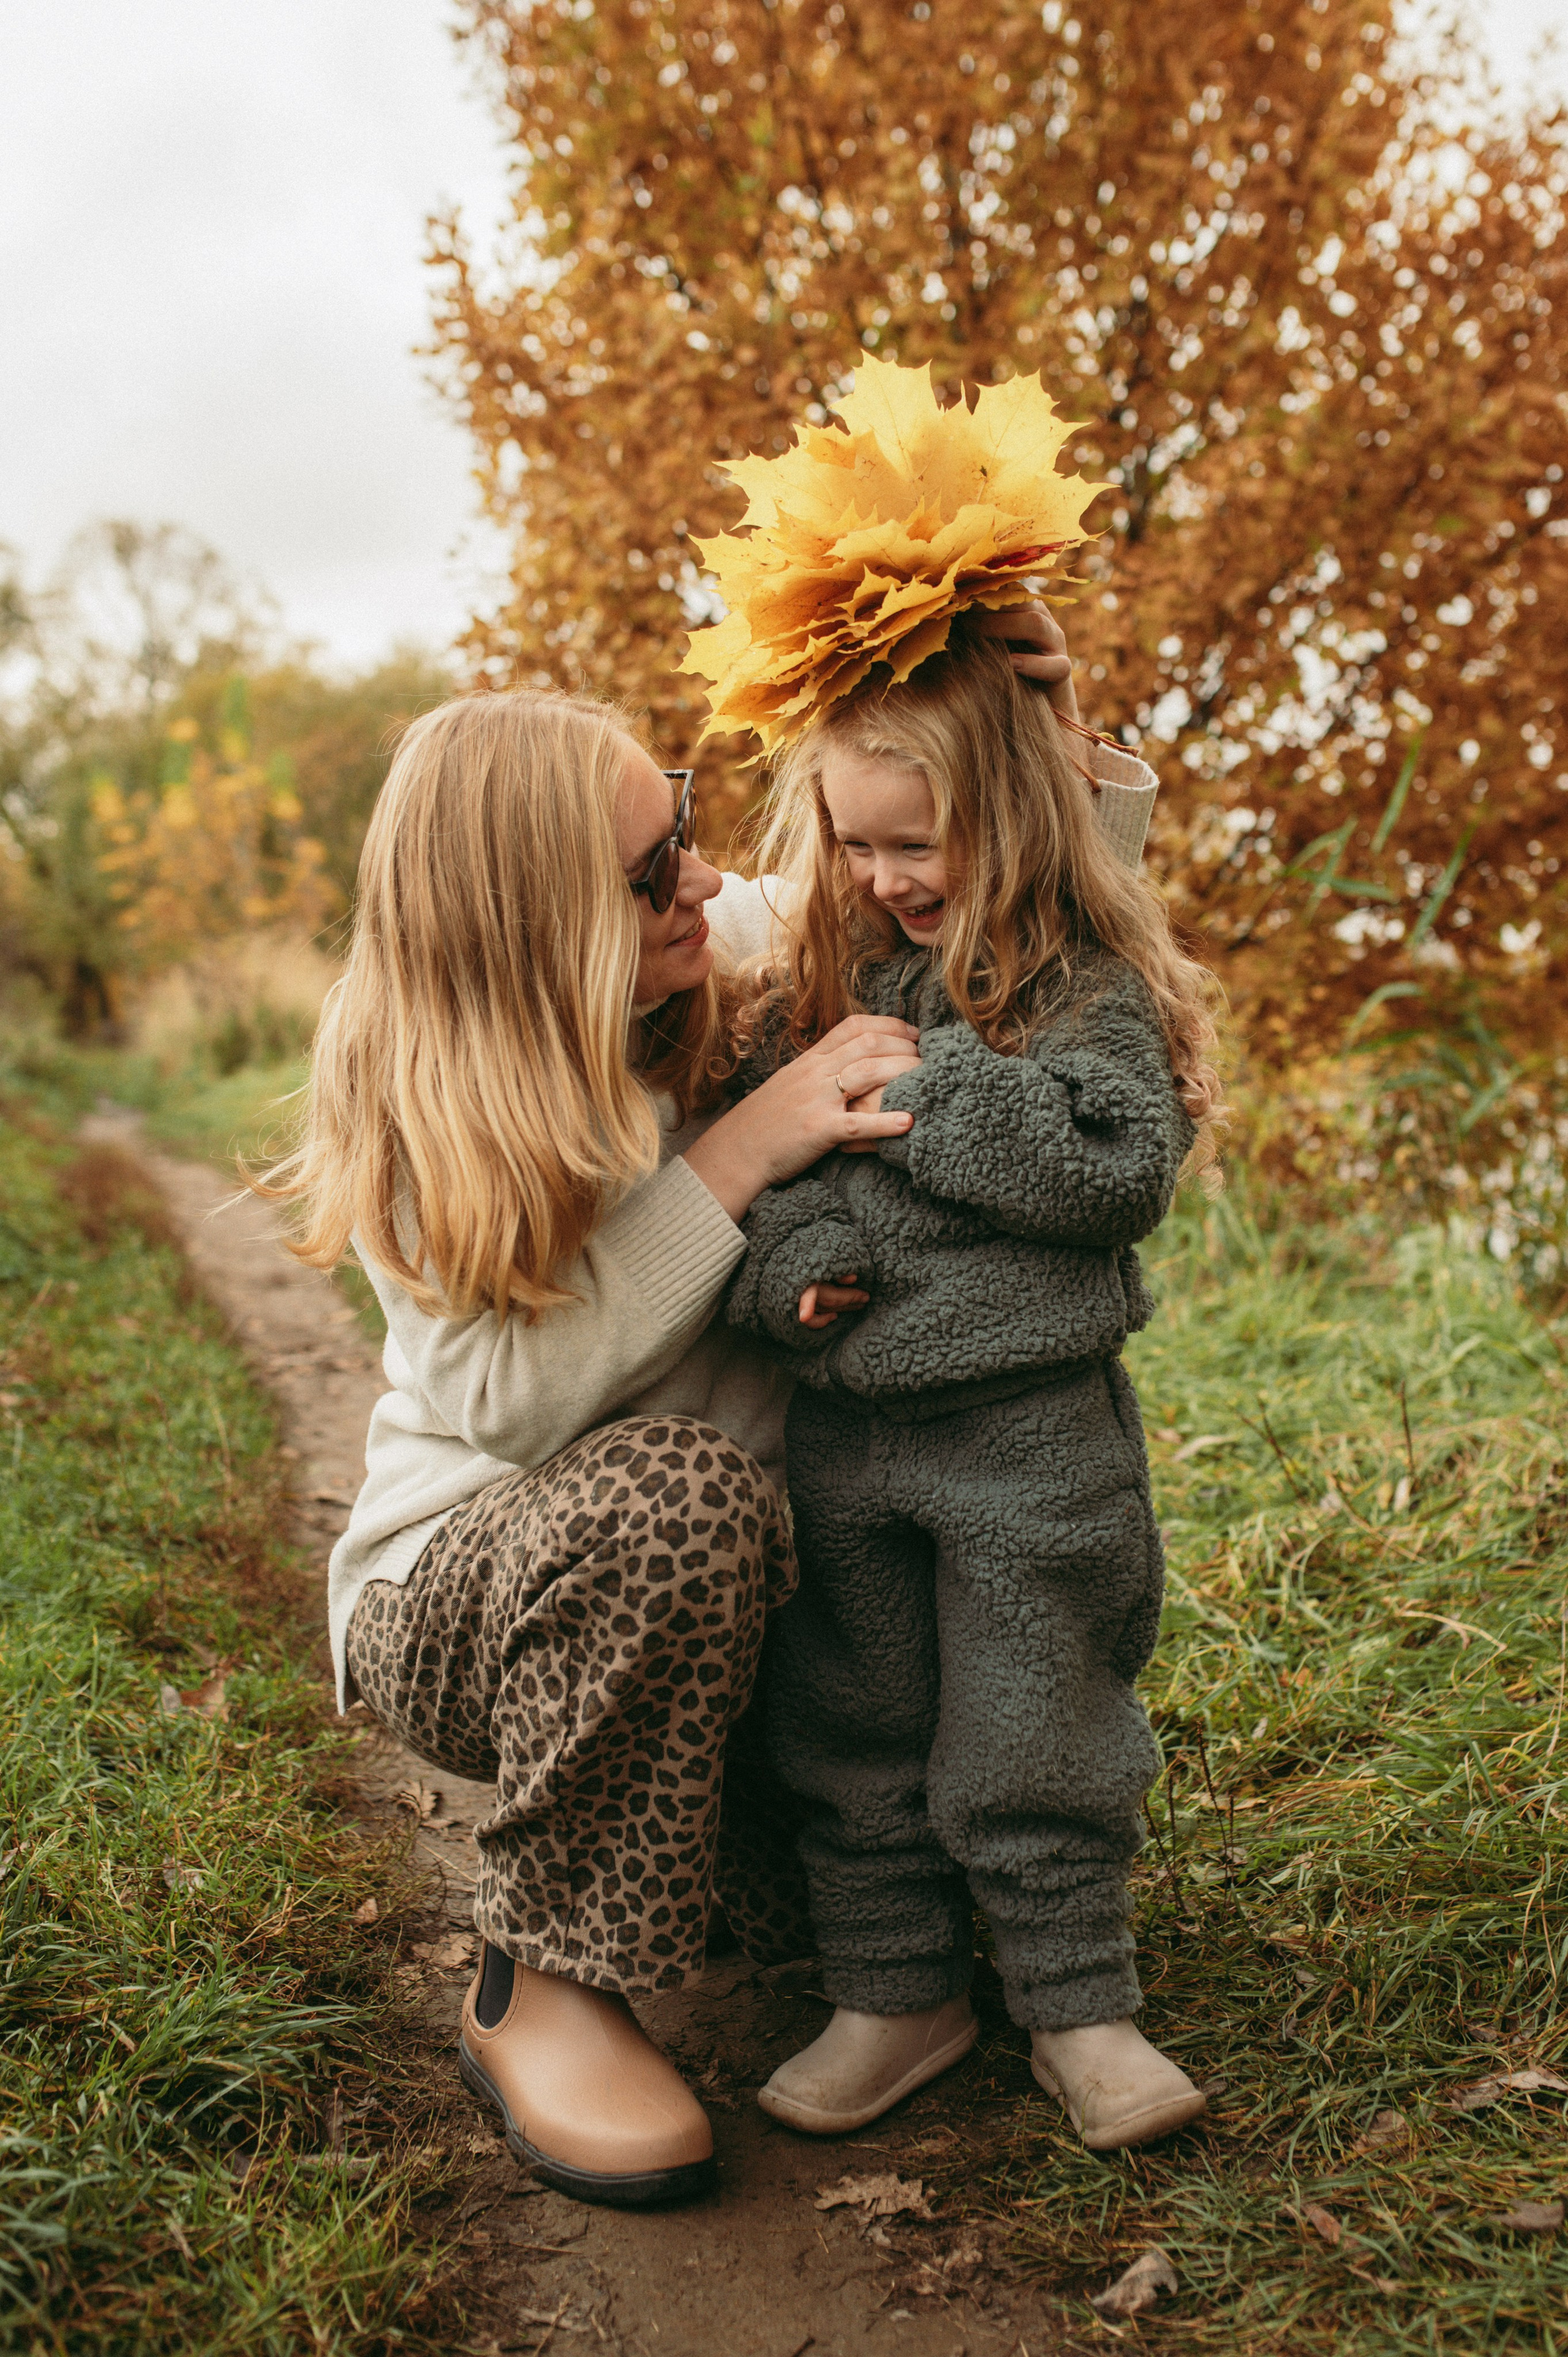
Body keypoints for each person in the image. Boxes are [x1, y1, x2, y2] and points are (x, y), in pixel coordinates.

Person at [254, 614, 1065, 2209]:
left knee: (863, 1924)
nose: (701, 879)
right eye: (648, 875)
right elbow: (512, 1405)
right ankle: (547, 1981)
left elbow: (982, 929)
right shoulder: (428, 1104)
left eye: (681, 825)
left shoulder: (725, 945)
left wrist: (1031, 740)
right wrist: (747, 1147)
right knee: (677, 1490)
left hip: (748, 1602)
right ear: (538, 927)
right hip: (477, 1593)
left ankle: (720, 1851)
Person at [682, 356, 1226, 2155]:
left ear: (1016, 812)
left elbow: (1114, 1168)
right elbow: (778, 1189)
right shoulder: (821, 987)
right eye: (855, 844)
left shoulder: (1077, 985)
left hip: (1031, 1442)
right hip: (854, 1443)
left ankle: (1080, 2009)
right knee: (854, 1726)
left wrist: (926, 1089)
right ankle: (896, 1993)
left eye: (919, 841)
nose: (887, 876)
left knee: (1033, 1722)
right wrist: (790, 1277)